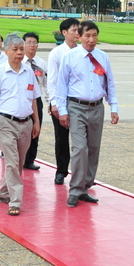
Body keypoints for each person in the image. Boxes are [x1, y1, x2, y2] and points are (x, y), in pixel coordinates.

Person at [54, 21, 119, 208]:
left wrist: (114, 107)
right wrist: (63, 111)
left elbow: (110, 83)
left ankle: (85, 187)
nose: (91, 39)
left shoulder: (103, 57)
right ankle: (74, 190)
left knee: (93, 149)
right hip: (76, 107)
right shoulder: (70, 57)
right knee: (80, 148)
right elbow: (61, 86)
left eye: (95, 35)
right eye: (87, 35)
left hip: (97, 107)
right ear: (79, 37)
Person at [0, 35, 40, 215]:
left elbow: (33, 100)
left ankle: (3, 191)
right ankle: (15, 201)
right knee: (11, 162)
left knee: (18, 163)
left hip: (25, 123)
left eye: (21, 49)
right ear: (6, 51)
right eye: (15, 49)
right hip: (6, 122)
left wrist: (36, 122)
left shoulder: (29, 72)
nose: (19, 52)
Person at [47, 18, 80, 185]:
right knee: (61, 138)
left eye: (78, 30)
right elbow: (51, 80)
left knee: (81, 140)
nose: (77, 33)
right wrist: (54, 103)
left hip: (78, 102)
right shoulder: (57, 53)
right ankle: (61, 171)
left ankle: (81, 173)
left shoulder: (83, 51)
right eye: (74, 30)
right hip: (61, 101)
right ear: (64, 33)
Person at [22, 32, 48, 171]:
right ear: (23, 44)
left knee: (35, 129)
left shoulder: (41, 63)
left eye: (34, 43)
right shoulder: (19, 61)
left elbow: (46, 84)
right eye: (29, 42)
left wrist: (50, 101)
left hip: (36, 100)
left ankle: (30, 159)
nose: (32, 45)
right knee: (20, 128)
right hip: (21, 98)